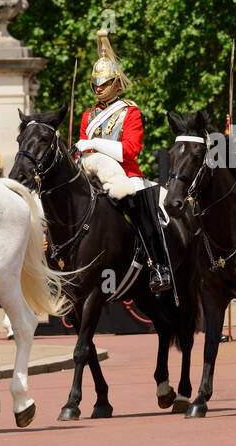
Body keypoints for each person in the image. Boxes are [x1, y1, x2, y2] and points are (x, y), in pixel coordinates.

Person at [74, 29, 173, 293]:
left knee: (145, 210)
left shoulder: (130, 111)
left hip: (127, 175)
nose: (98, 89)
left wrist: (93, 143)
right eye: (95, 84)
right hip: (94, 177)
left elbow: (129, 151)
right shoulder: (87, 116)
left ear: (117, 84)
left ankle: (159, 266)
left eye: (104, 84)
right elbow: (82, 152)